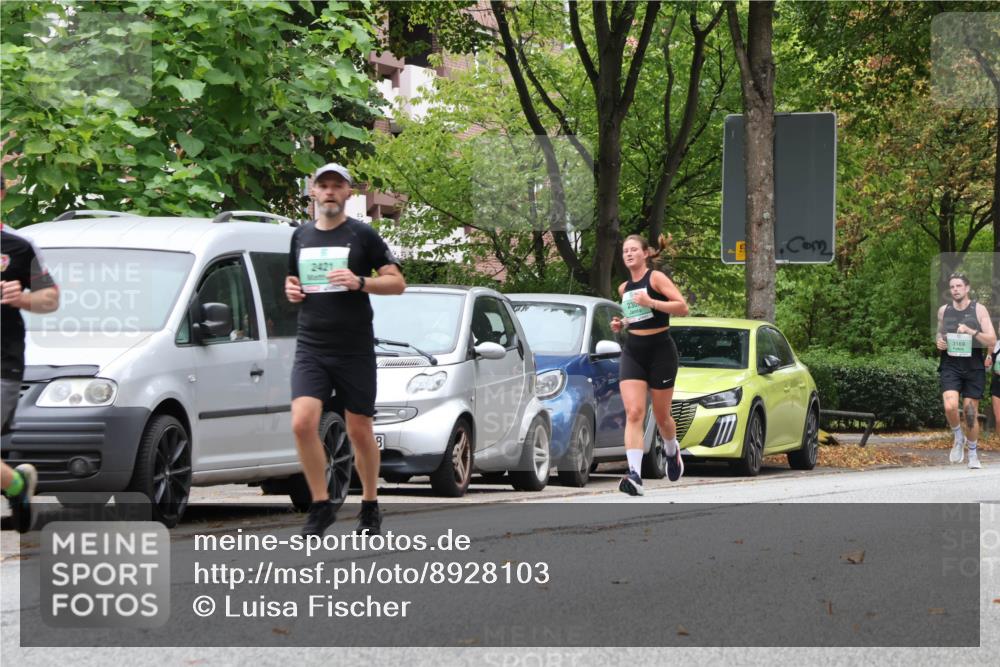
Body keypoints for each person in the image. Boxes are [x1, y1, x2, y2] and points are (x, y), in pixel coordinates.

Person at [285, 163, 405, 536]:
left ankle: (370, 504)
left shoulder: (362, 235)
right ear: (313, 192)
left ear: (349, 193)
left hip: (353, 348)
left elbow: (397, 283)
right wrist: (290, 292)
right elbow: (293, 281)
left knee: (359, 429)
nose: (331, 192)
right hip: (312, 345)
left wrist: (360, 282)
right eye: (324, 186)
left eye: (338, 186)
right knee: (302, 422)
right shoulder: (301, 236)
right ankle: (321, 505)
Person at [1, 174, 60, 531]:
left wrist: (22, 298)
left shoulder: (20, 247)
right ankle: (17, 484)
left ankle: (18, 485)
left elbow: (50, 297)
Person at [610, 234, 688, 496]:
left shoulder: (655, 278)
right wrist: (622, 324)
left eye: (633, 250)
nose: (629, 254)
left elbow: (682, 307)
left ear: (645, 254)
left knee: (663, 416)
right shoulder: (623, 288)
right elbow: (637, 317)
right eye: (625, 251)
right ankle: (634, 475)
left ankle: (670, 449)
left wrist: (652, 302)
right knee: (634, 413)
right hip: (633, 351)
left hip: (661, 352)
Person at [936, 272, 995, 470]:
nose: (955, 290)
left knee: (970, 413)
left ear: (967, 288)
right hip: (950, 364)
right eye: (952, 287)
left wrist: (971, 332)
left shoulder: (979, 310)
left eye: (959, 286)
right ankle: (958, 437)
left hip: (973, 367)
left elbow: (992, 340)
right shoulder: (944, 310)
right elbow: (939, 332)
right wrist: (940, 341)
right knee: (950, 407)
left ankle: (973, 453)